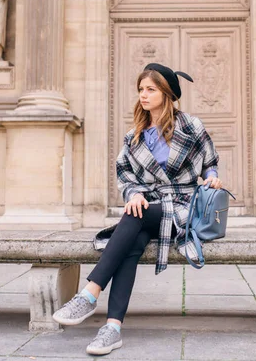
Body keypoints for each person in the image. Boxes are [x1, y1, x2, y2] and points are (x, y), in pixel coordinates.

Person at [52, 63, 222, 356]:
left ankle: (90, 292)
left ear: (166, 93)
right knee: (132, 240)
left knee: (133, 219)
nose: (143, 95)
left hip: (182, 208)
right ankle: (112, 329)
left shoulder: (191, 126)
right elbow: (125, 174)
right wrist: (132, 193)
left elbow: (210, 161)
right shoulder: (134, 136)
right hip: (149, 209)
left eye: (150, 89)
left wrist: (211, 177)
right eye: (141, 89)